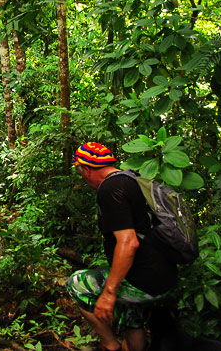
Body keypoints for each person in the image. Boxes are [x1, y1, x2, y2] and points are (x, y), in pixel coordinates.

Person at [66, 142, 178, 351]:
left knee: (76, 282)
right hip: (164, 275)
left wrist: (108, 293)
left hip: (146, 282)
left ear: (87, 169)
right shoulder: (131, 179)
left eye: (81, 173)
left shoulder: (109, 189)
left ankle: (110, 346)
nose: (83, 178)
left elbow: (128, 243)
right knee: (129, 309)